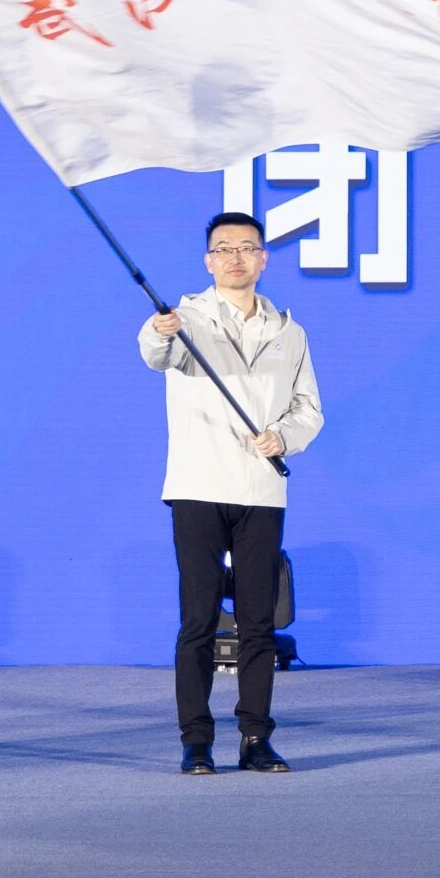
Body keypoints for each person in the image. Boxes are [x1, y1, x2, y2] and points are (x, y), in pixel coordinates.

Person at [141, 211, 323, 776]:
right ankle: (195, 740)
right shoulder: (186, 320)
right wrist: (160, 330)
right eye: (224, 249)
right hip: (198, 485)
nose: (235, 257)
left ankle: (255, 738)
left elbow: (308, 409)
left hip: (261, 489)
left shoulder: (289, 332)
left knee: (258, 623)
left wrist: (282, 437)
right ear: (208, 261)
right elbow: (155, 353)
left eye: (247, 248)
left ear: (263, 258)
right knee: (198, 619)